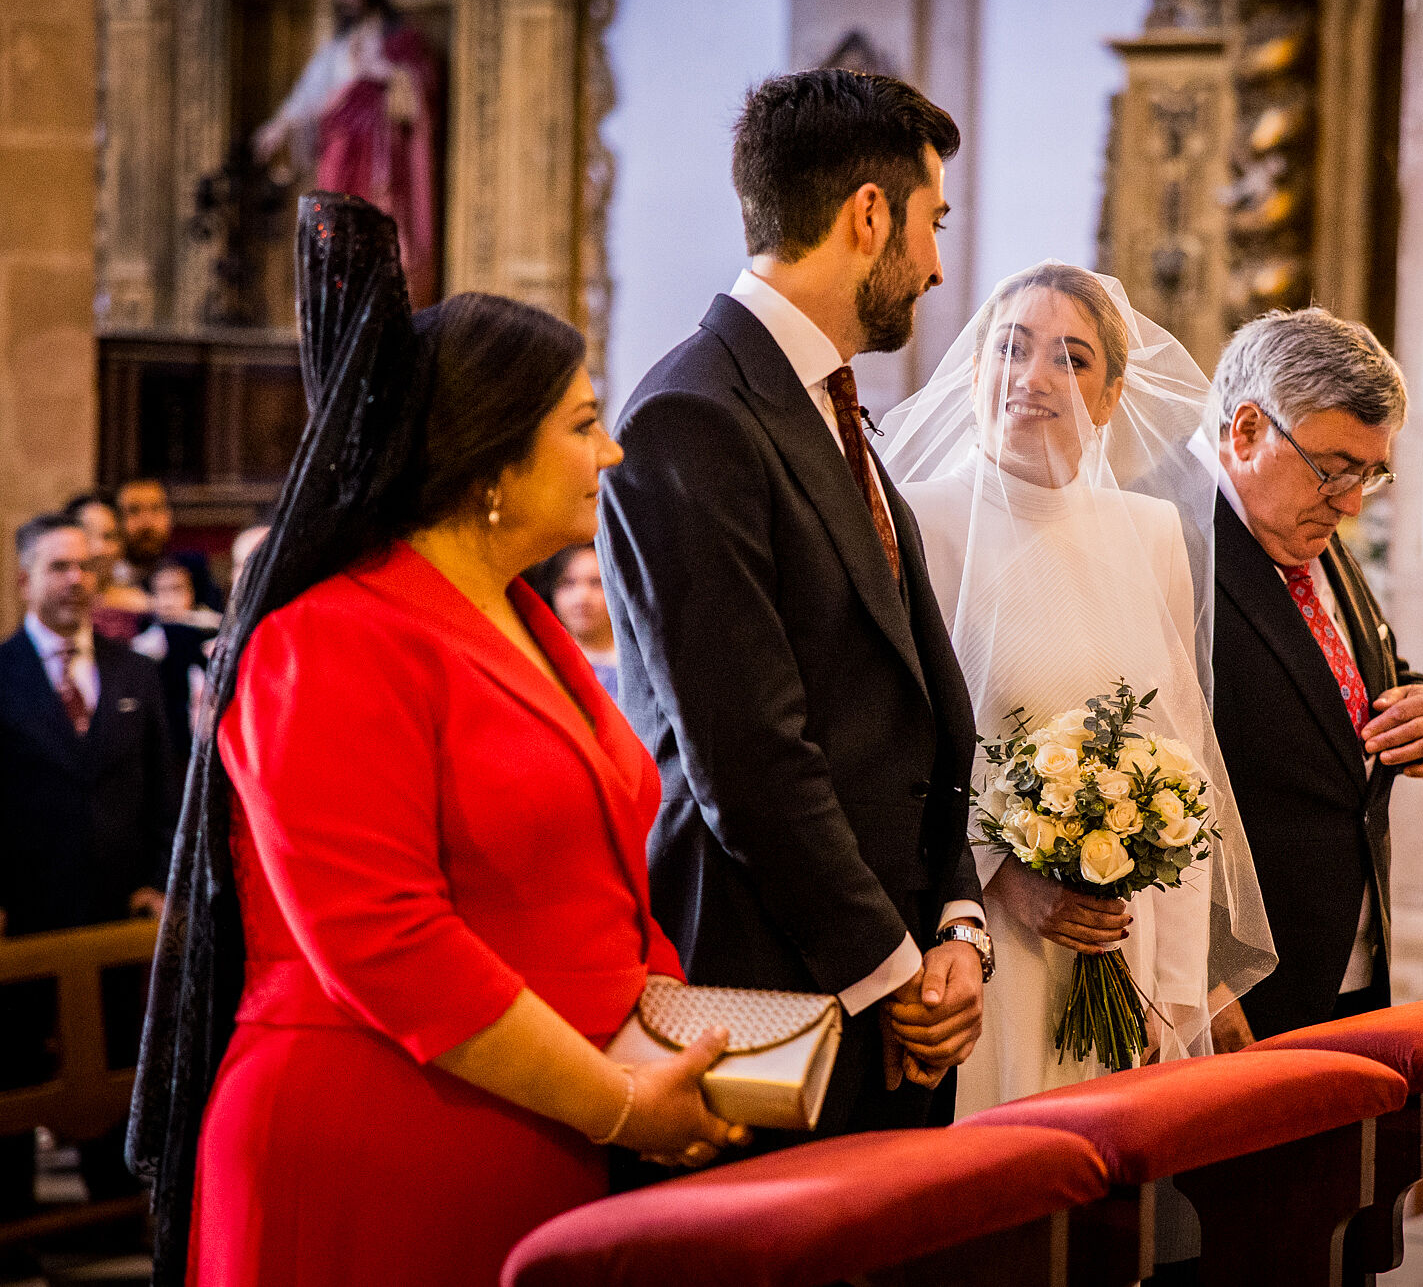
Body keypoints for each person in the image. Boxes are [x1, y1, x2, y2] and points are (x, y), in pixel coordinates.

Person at [129, 194, 745, 1287]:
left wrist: (669, 1046)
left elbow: (599, 868)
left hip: (541, 1117)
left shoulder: (525, 617)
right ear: (490, 462)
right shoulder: (326, 639)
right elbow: (383, 940)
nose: (609, 452)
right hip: (378, 1130)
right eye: (580, 423)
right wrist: (617, 1100)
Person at [598, 69, 987, 1147]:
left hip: (892, 972)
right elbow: (748, 756)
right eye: (932, 222)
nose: (939, 264)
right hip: (778, 980)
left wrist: (957, 918)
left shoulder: (829, 401)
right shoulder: (694, 413)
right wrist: (890, 971)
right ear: (870, 215)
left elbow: (916, 699)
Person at [881, 263, 1275, 1114]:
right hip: (987, 946)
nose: (1033, 378)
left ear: (1110, 395)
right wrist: (1000, 886)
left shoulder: (1152, 532)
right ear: (977, 366)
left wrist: (1179, 990)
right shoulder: (918, 520)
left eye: (1071, 358)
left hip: (1116, 947)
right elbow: (897, 757)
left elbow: (1178, 759)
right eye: (1012, 348)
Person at [1208, 309, 1423, 1038]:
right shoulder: (1179, 540)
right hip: (1249, 996)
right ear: (1249, 430)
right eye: (1334, 468)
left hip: (1354, 967)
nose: (1351, 502)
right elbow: (1154, 775)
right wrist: (1207, 977)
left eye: (1370, 473)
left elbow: (1360, 672)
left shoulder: (1300, 522)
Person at [0, 513, 176, 1219]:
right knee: (16, 1067)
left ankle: (112, 1204)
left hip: (117, 910)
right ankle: (15, 1218)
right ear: (24, 580)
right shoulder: (1, 674)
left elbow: (168, 790)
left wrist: (161, 880)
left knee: (118, 1066)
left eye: (84, 567)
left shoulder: (136, 672)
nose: (75, 580)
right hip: (26, 916)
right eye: (58, 567)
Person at [252, 0, 439, 306]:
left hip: (380, 153)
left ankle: (382, 301)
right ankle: (336, 301)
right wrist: (278, 127)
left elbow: (417, 90)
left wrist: (381, 72)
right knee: (333, 224)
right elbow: (309, 94)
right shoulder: (337, 47)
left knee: (376, 223)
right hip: (339, 149)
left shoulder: (399, 39)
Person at [114, 478, 222, 613]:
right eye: (134, 510)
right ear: (116, 520)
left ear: (169, 516)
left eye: (155, 509)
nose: (146, 522)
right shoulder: (107, 575)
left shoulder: (193, 571)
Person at [63, 490, 151, 638]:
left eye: (109, 537)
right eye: (87, 534)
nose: (99, 549)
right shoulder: (56, 604)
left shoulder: (141, 607)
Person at [538, 544, 618, 699]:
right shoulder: (540, 661)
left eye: (596, 582)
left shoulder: (638, 666)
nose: (582, 597)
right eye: (567, 583)